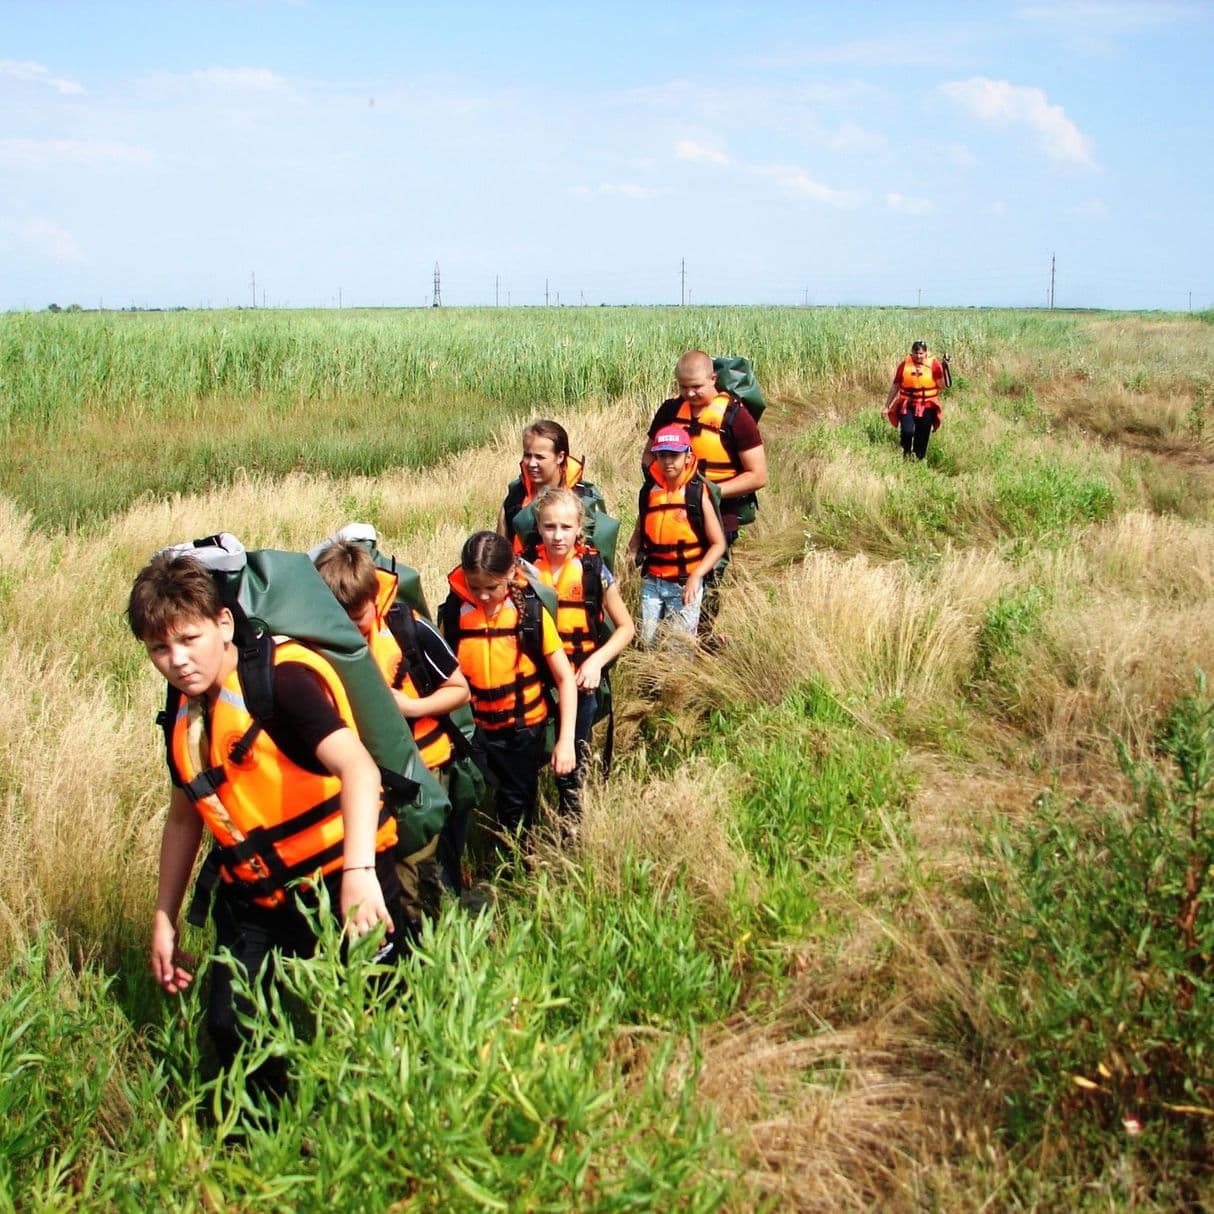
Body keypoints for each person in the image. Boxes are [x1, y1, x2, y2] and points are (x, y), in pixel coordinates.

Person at [127, 550, 407, 1098]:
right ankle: (271, 1130)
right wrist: (165, 916)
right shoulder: (184, 713)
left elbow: (359, 769)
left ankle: (392, 1119)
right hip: (256, 895)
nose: (177, 661)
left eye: (189, 639)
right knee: (230, 1024)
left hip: (343, 876)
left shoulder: (284, 680)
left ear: (223, 623)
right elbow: (185, 818)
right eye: (159, 648)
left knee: (378, 1015)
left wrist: (359, 874)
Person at [313, 538, 473, 906]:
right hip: (363, 776)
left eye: (358, 619)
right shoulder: (320, 642)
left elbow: (459, 691)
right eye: (340, 621)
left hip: (422, 769)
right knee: (383, 866)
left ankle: (428, 927)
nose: (350, 630)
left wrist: (411, 707)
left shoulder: (409, 630)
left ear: (374, 598)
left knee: (413, 868)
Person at [441, 531, 577, 850]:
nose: (483, 596)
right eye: (474, 587)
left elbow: (565, 678)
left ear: (510, 574)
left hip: (522, 732)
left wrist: (566, 741)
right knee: (466, 799)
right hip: (476, 733)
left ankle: (518, 863)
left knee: (517, 809)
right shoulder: (456, 614)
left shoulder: (529, 613)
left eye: (492, 588)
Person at [528, 486, 635, 825]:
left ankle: (572, 827)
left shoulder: (593, 570)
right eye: (549, 527)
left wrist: (595, 662)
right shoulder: (527, 571)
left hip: (580, 680)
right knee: (533, 758)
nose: (557, 536)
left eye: (565, 527)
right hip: (538, 683)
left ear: (579, 528)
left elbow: (626, 628)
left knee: (573, 758)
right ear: (538, 527)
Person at [645, 350, 767, 634]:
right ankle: (660, 644)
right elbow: (648, 456)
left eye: (697, 386)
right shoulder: (670, 411)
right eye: (683, 386)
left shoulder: (737, 417)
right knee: (664, 578)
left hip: (721, 515)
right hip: (669, 513)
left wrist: (706, 493)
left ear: (713, 378)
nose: (689, 393)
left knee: (708, 585)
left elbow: (758, 475)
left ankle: (701, 643)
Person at [627, 424, 727, 646]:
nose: (668, 461)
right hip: (651, 581)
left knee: (678, 647)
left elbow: (718, 544)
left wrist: (696, 576)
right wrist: (625, 568)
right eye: (662, 455)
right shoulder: (649, 492)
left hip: (684, 583)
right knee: (648, 642)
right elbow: (638, 536)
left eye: (674, 455)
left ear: (688, 456)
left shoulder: (696, 493)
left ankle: (684, 670)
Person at [498, 419, 607, 556]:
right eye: (527, 455)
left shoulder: (583, 500)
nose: (531, 463)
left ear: (560, 457)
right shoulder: (515, 496)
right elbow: (499, 551)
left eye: (540, 457)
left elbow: (597, 558)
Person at [884, 339, 948, 460]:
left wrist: (944, 369)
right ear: (912, 353)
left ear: (926, 353)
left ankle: (918, 460)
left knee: (922, 436)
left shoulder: (934, 364)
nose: (918, 356)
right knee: (907, 431)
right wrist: (886, 406)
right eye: (916, 353)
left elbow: (942, 385)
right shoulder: (904, 364)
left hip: (927, 406)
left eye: (921, 353)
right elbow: (896, 385)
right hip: (907, 405)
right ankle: (906, 454)